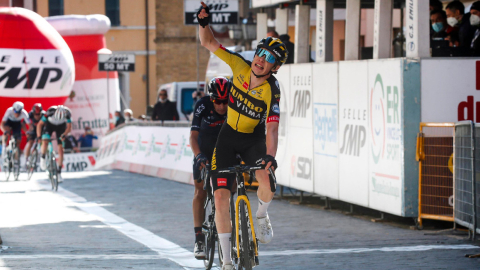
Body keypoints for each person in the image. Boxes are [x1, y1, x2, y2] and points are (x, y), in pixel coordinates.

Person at [198, 2, 286, 269]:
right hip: (228, 136)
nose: (261, 60)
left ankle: (261, 215)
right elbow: (209, 42)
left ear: (275, 67)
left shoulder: (272, 89)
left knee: (266, 181)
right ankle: (225, 261)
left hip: (253, 139)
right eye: (260, 53)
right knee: (222, 196)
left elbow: (272, 128)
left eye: (269, 58)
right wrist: (203, 22)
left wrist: (270, 157)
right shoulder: (238, 64)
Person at [190, 77, 230, 259]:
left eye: (225, 101)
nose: (222, 106)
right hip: (204, 149)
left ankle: (229, 230)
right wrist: (198, 155)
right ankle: (199, 239)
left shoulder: (235, 105)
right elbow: (193, 136)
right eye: (218, 101)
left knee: (231, 189)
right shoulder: (202, 105)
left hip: (225, 149)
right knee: (200, 193)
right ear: (211, 98)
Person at [37, 105, 72, 183]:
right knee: (45, 141)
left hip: (61, 127)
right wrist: (39, 137)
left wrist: (64, 134)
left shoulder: (68, 113)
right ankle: (42, 158)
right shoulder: (50, 111)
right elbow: (40, 124)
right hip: (50, 125)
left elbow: (69, 127)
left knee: (61, 150)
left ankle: (59, 173)